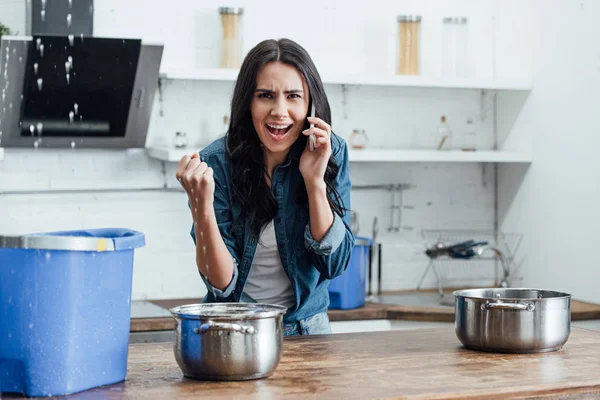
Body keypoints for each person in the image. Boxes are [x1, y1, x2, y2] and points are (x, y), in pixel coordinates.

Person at [175, 38, 355, 336]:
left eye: (293, 96)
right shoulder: (215, 163)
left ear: (311, 103)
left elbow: (334, 264)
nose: (279, 111)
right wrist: (202, 210)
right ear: (248, 102)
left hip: (308, 332)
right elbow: (221, 285)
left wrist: (314, 183)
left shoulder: (330, 151)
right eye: (266, 95)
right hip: (233, 330)